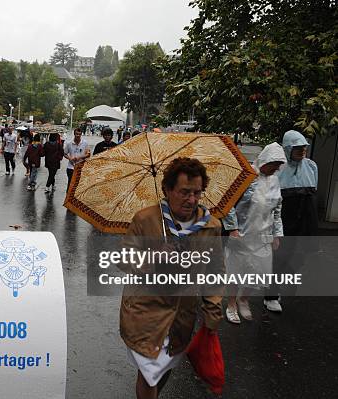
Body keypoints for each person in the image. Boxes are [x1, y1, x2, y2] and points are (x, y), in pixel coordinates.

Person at [120, 157, 224, 399]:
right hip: (145, 312)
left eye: (197, 193)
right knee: (148, 373)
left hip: (181, 315)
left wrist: (212, 311)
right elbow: (123, 259)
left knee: (164, 368)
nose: (192, 200)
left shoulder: (211, 226)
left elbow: (215, 272)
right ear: (167, 190)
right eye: (184, 192)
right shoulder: (145, 219)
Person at [222, 143, 287, 324]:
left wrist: (277, 233)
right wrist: (232, 229)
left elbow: (277, 208)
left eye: (279, 164)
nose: (276, 168)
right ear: (265, 159)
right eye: (274, 163)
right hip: (242, 233)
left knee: (258, 271)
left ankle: (244, 300)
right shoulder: (246, 176)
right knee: (236, 271)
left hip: (263, 235)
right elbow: (229, 204)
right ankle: (232, 304)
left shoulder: (274, 180)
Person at [264, 130, 319, 312]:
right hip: (285, 217)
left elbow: (313, 194)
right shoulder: (279, 170)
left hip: (306, 219)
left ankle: (280, 286)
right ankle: (271, 295)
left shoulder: (312, 167)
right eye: (297, 147)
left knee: (299, 256)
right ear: (288, 148)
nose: (302, 150)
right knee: (279, 257)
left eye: (304, 147)